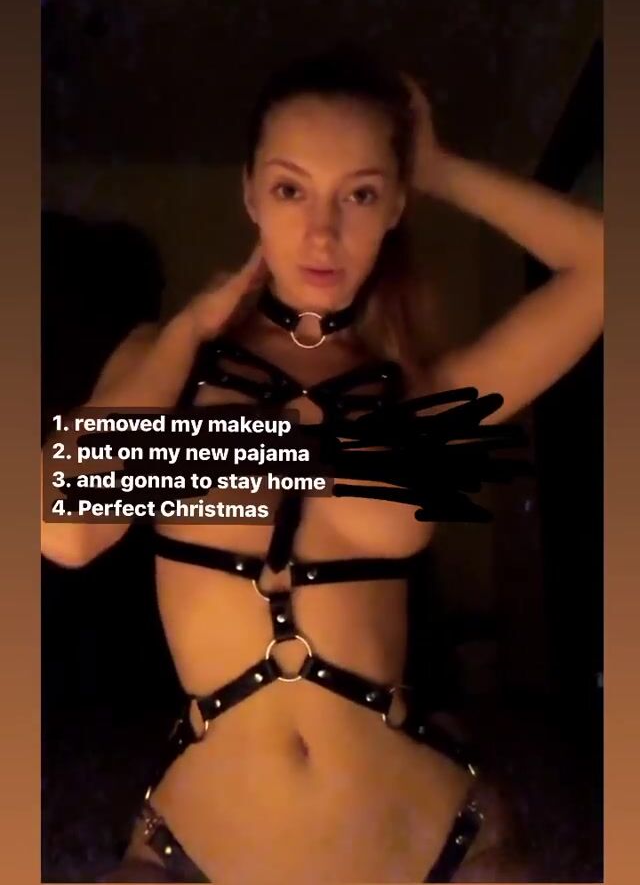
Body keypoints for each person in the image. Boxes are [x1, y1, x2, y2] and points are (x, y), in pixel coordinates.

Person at [41, 45, 603, 883]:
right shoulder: (167, 365)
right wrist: (189, 330)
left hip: (437, 845)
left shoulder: (424, 396)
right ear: (249, 193)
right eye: (290, 189)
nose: (322, 232)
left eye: (362, 193)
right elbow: (65, 529)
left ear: (397, 205)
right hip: (199, 851)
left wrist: (443, 169)